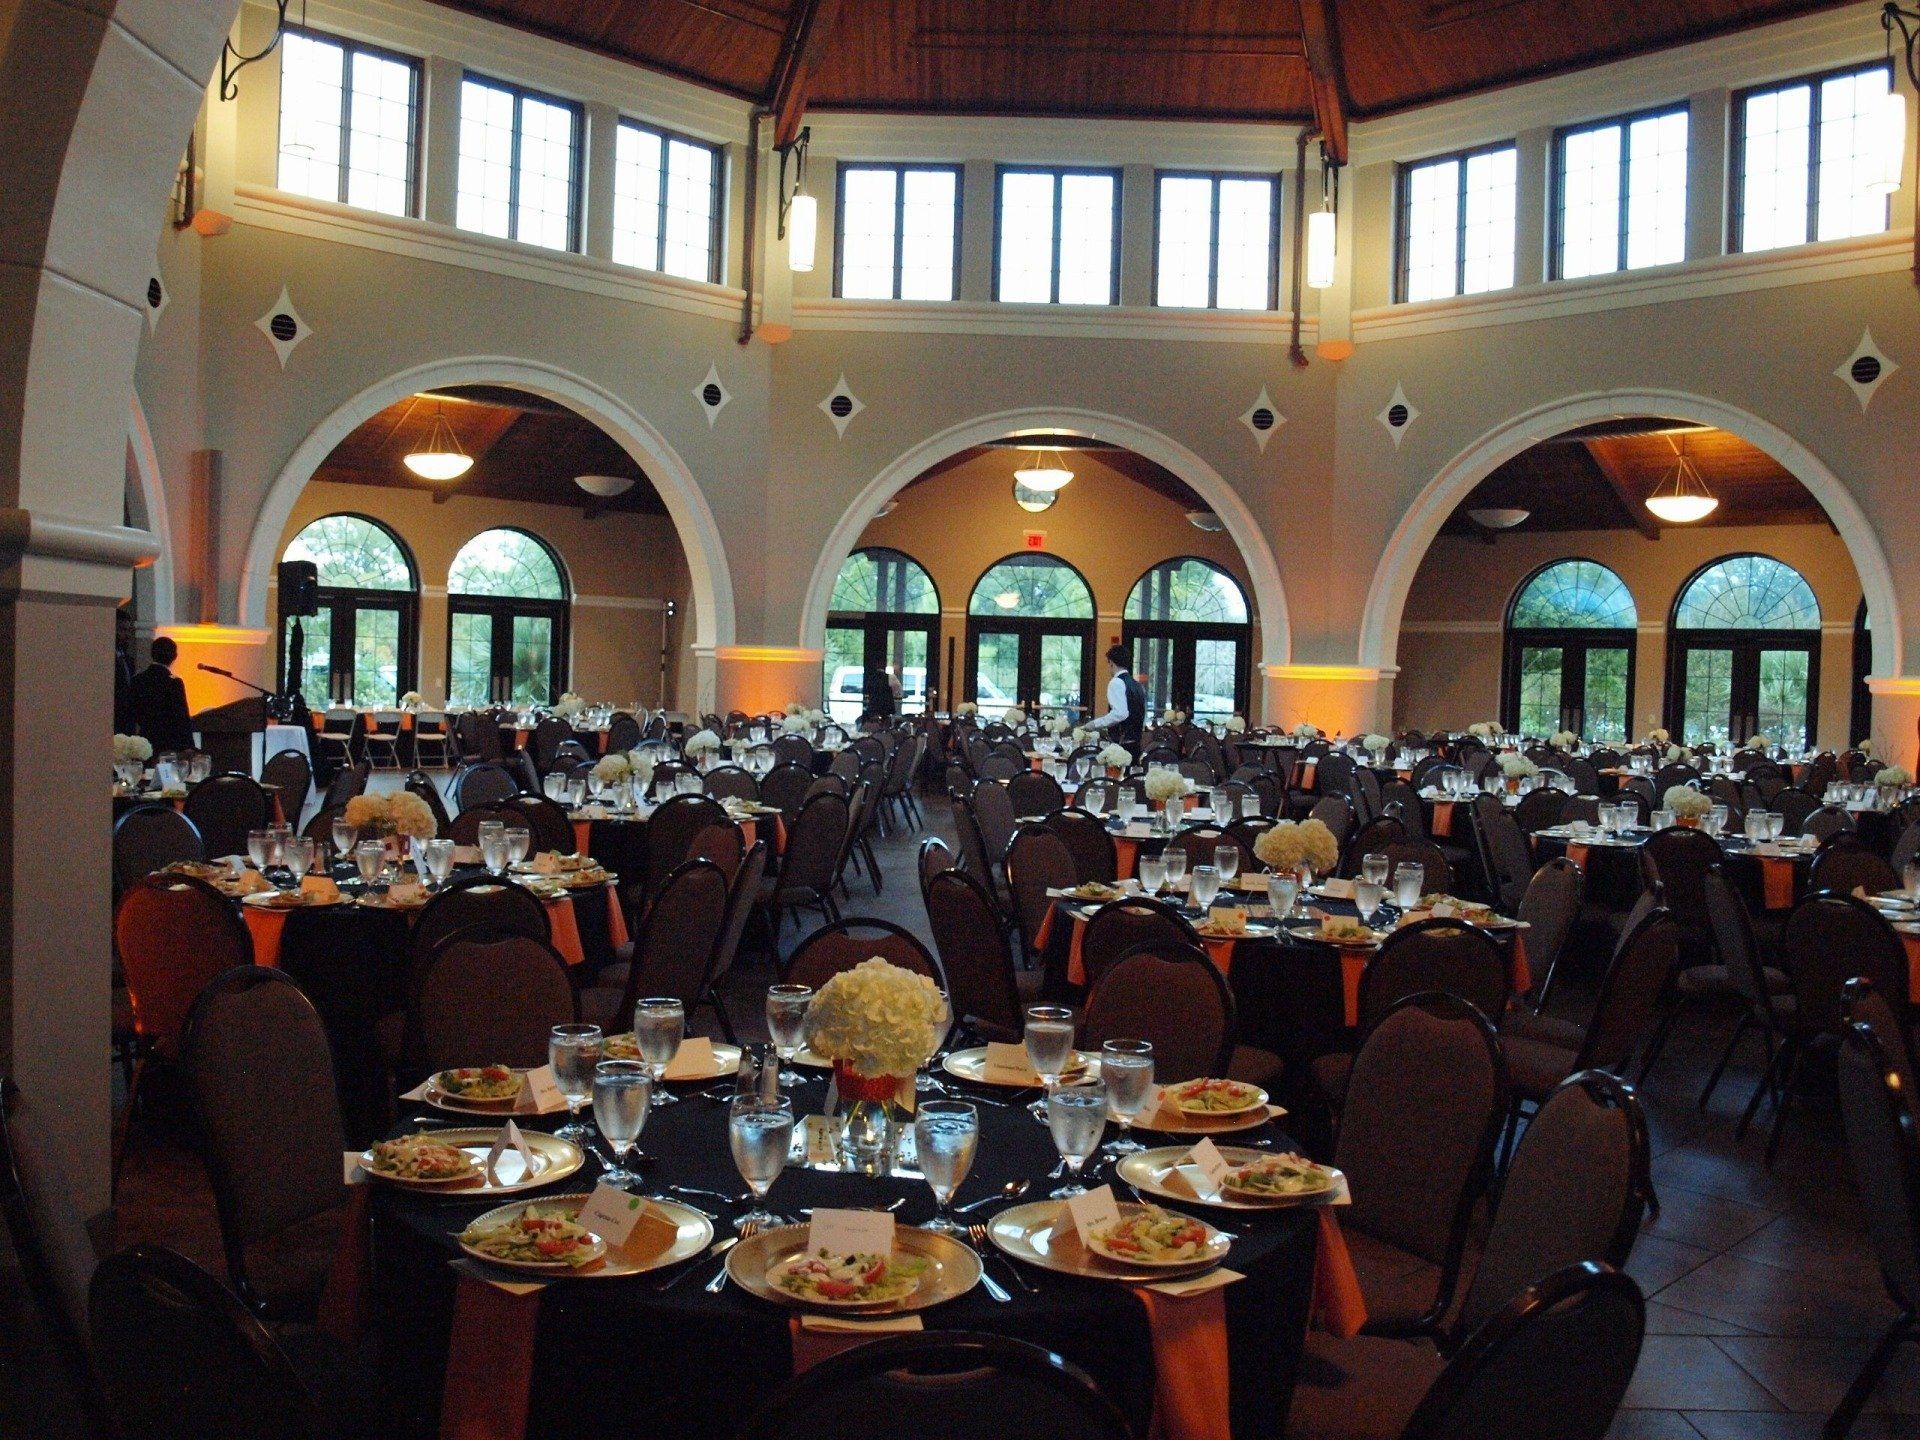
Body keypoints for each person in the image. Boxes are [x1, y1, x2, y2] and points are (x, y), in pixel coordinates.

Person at [128, 635, 195, 752]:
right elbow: (181, 716)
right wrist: (189, 745)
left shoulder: (137, 680)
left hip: (145, 741)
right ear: (174, 657)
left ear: (152, 654)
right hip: (169, 743)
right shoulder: (174, 682)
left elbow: (132, 711)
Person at [1087, 643, 1146, 754]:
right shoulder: (1138, 685)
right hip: (1136, 744)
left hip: (1122, 744)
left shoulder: (1116, 682)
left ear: (1111, 662)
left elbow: (1120, 714)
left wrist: (1095, 724)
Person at [113, 606, 137, 735]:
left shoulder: (128, 660)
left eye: (128, 630)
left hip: (127, 721)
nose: (127, 635)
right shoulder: (106, 660)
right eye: (122, 630)